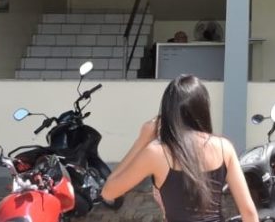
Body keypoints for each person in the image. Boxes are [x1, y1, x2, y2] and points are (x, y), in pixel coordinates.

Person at [102, 75, 259, 222]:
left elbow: (109, 192)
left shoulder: (157, 152)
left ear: (168, 111)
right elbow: (249, 213)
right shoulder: (225, 147)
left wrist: (141, 141)